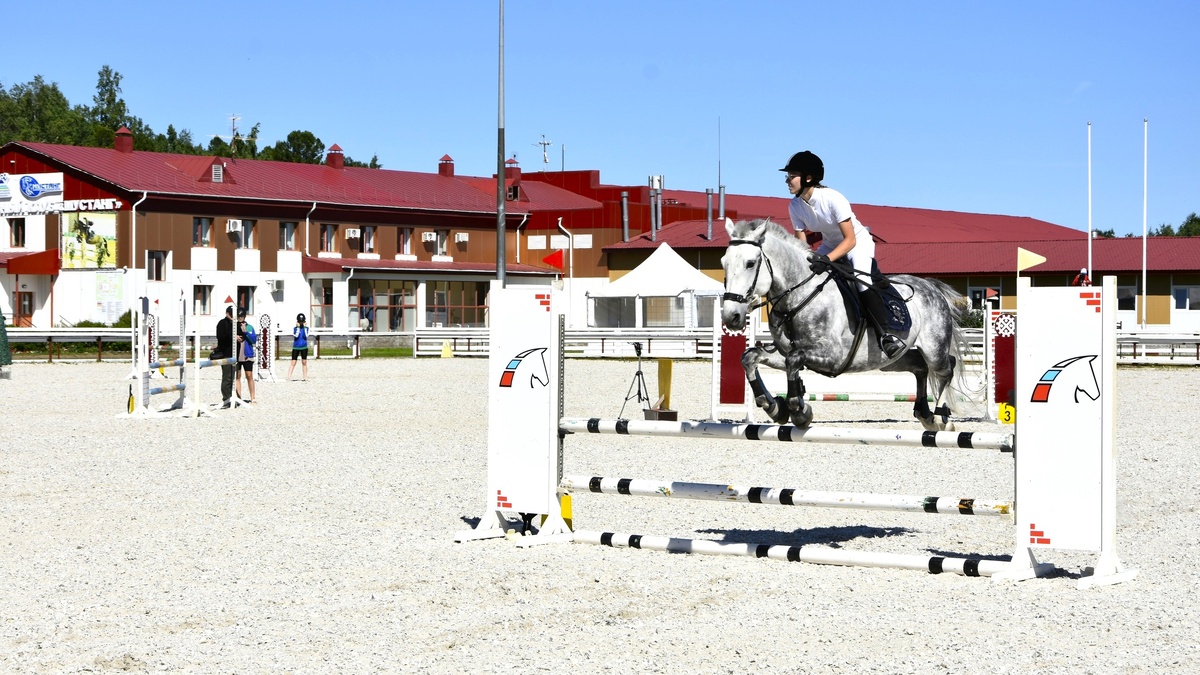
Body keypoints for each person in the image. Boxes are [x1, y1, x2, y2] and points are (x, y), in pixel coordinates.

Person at [781, 150, 905, 358]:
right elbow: (800, 245)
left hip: (857, 242)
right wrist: (809, 261)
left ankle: (885, 335)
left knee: (860, 279)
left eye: (792, 175)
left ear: (808, 178)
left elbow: (850, 240)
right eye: (788, 176)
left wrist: (826, 260)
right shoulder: (795, 206)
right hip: (830, 243)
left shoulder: (833, 198)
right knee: (808, 275)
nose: (787, 180)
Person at [234, 308, 257, 403]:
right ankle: (238, 398)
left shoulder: (249, 327)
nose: (240, 318)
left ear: (244, 316)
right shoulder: (234, 327)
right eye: (238, 316)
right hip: (237, 354)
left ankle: (253, 397)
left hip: (247, 354)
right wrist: (235, 337)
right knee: (238, 375)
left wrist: (246, 332)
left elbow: (254, 340)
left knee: (249, 375)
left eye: (241, 316)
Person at [215, 305, 235, 408]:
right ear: (227, 313)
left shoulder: (235, 323)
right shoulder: (222, 323)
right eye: (232, 314)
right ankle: (226, 398)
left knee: (233, 377)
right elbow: (221, 337)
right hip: (225, 353)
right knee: (227, 377)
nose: (233, 316)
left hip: (235, 354)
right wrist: (233, 337)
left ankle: (233, 397)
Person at [288, 313, 310, 381]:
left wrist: (305, 327)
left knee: (304, 362)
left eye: (302, 322)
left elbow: (306, 336)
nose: (301, 323)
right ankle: (288, 377)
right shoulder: (295, 329)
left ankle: (305, 377)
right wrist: (297, 328)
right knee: (293, 362)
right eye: (300, 322)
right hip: (296, 347)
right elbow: (296, 335)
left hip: (304, 347)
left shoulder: (306, 328)